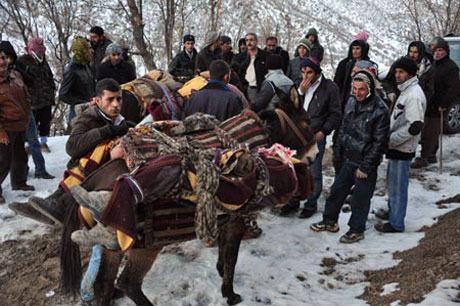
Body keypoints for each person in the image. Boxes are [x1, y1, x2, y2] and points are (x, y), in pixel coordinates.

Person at [310, 71, 390, 243]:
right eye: (355, 88)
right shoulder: (351, 102)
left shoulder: (380, 110)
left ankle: (356, 229)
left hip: (364, 163)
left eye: (361, 89)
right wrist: (338, 153)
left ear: (369, 88)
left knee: (360, 199)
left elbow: (379, 143)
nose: (358, 93)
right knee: (336, 191)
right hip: (348, 158)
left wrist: (366, 166)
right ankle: (329, 221)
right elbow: (343, 129)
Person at [281, 57, 341, 217]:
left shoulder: (329, 88)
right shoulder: (299, 85)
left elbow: (335, 114)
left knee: (313, 171)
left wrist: (324, 131)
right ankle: (293, 201)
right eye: (303, 72)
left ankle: (311, 203)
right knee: (293, 169)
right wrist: (300, 92)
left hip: (315, 135)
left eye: (309, 73)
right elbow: (289, 108)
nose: (305, 76)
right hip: (296, 135)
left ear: (317, 72)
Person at [375, 57, 426, 233]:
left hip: (403, 147)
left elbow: (415, 126)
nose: (397, 75)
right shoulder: (406, 91)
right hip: (397, 147)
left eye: (401, 72)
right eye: (396, 71)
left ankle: (396, 223)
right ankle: (393, 212)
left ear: (410, 74)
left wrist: (392, 139)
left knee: (398, 187)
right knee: (393, 183)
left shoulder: (413, 95)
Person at [4, 41, 55, 180]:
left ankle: (38, 170)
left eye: (9, 57)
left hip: (26, 111)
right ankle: (17, 176)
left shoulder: (17, 70)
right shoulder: (20, 64)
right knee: (11, 149)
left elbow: (28, 86)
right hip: (8, 117)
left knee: (32, 141)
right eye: (4, 57)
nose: (7, 61)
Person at [412, 38, 460, 168]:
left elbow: (454, 89)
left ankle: (424, 157)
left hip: (439, 104)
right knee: (429, 130)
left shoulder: (451, 67)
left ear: (446, 52)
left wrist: (443, 104)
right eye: (436, 50)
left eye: (441, 50)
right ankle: (431, 154)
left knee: (430, 131)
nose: (438, 53)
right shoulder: (433, 65)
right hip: (429, 102)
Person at [0, 45, 35, 204]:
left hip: (21, 124)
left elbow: (26, 95)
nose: (2, 62)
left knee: (20, 157)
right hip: (5, 128)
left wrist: (27, 113)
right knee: (3, 161)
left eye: (2, 58)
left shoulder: (15, 75)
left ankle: (19, 182)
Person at [16, 38, 56, 153]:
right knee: (30, 124)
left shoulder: (44, 61)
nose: (41, 52)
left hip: (46, 98)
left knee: (45, 121)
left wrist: (51, 90)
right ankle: (28, 145)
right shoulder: (23, 61)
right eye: (39, 49)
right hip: (32, 100)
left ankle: (43, 142)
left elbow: (49, 76)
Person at [59, 37, 95, 128]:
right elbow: (63, 95)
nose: (92, 51)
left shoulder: (86, 66)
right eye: (89, 48)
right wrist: (81, 102)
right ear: (82, 50)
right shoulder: (71, 70)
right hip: (78, 113)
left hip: (92, 110)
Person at [334, 40, 373, 109]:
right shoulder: (346, 64)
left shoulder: (370, 65)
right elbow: (339, 82)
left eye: (357, 48)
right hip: (344, 98)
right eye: (353, 48)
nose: (354, 51)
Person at [233, 33, 269, 103]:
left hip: (261, 88)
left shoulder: (265, 56)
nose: (249, 43)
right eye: (247, 40)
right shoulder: (239, 57)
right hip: (244, 88)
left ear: (256, 41)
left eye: (251, 40)